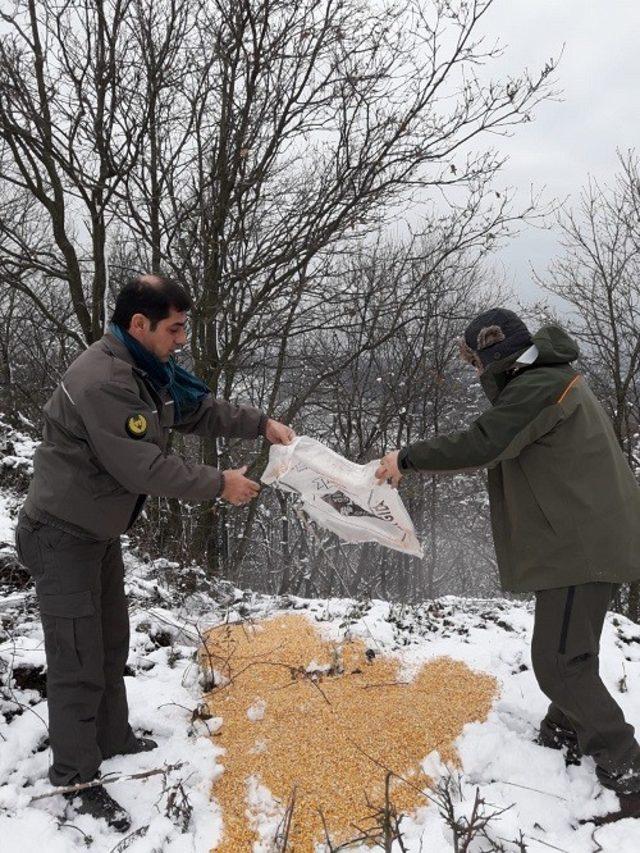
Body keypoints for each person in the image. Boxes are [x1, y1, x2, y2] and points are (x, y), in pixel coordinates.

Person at [14, 274, 295, 831]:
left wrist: (259, 425)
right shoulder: (104, 381)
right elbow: (141, 465)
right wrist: (220, 484)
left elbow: (192, 410)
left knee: (110, 642)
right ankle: (74, 778)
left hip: (95, 533)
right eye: (175, 328)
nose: (182, 339)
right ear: (138, 325)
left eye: (185, 326)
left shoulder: (146, 370)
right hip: (61, 534)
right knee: (75, 660)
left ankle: (111, 736)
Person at [376, 308, 640, 824]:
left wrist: (403, 458)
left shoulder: (537, 386)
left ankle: (626, 771)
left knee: (559, 661)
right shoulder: (549, 378)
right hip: (587, 541)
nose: (476, 373)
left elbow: (483, 442)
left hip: (579, 547)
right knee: (571, 650)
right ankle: (564, 731)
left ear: (494, 356)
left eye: (476, 361)